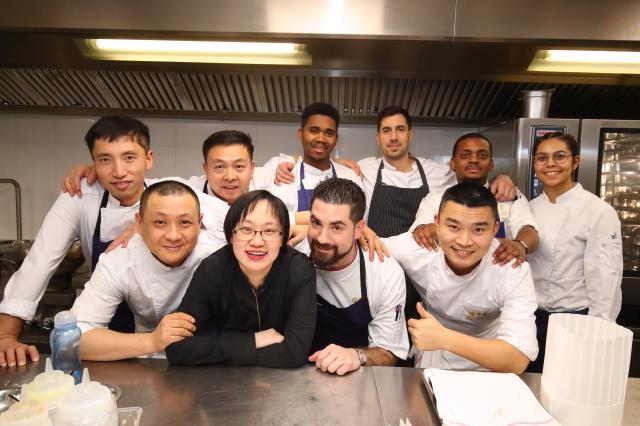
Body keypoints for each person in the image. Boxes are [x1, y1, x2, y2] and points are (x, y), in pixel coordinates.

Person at [0, 115, 153, 367]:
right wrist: (5, 335)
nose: (118, 171)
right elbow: (40, 260)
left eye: (129, 157)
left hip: (161, 320)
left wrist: (144, 224)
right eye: (105, 159)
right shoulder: (81, 195)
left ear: (148, 159)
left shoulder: (171, 194)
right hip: (104, 319)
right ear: (93, 163)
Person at [385, 183, 538, 373]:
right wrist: (364, 233)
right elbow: (366, 244)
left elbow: (517, 359)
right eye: (453, 227)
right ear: (437, 223)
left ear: (494, 229)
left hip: (491, 359)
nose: (464, 241)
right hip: (433, 353)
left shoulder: (512, 269)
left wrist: (444, 338)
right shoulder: (420, 249)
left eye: (478, 230)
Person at [165, 190, 317, 367]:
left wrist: (217, 350)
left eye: (269, 231)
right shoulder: (212, 269)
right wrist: (254, 341)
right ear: (230, 235)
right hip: (222, 387)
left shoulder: (299, 270)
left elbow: (293, 354)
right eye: (246, 229)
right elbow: (177, 347)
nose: (257, 242)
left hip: (287, 387)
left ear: (283, 237)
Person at [71, 180, 217, 360]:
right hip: (147, 360)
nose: (173, 236)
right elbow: (74, 338)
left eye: (185, 222)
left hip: (209, 361)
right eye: (160, 222)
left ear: (199, 223)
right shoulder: (120, 261)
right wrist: (153, 341)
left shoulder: (217, 255)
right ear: (139, 224)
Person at [526, 132, 623, 372]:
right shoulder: (529, 209)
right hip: (532, 318)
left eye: (560, 157)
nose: (550, 164)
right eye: (542, 158)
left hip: (577, 319)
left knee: (567, 387)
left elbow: (605, 275)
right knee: (531, 384)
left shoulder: (598, 211)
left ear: (575, 162)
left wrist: (600, 329)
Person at [306, 178, 409, 376]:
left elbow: (388, 353)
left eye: (336, 227)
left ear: (359, 229)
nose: (322, 238)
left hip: (358, 380)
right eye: (316, 223)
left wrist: (357, 356)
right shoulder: (295, 251)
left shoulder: (384, 273)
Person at [411, 132, 539, 267]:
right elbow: (419, 229)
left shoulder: (508, 195)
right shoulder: (435, 198)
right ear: (453, 164)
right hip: (448, 280)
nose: (474, 160)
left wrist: (520, 245)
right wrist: (424, 229)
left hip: (498, 279)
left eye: (482, 156)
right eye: (465, 155)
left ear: (491, 164)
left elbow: (529, 230)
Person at [264, 102, 364, 214]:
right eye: (314, 130)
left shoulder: (350, 177)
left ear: (336, 139)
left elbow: (357, 221)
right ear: (300, 134)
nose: (321, 138)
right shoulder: (284, 175)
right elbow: (274, 219)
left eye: (329, 133)